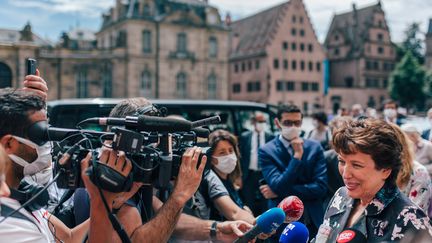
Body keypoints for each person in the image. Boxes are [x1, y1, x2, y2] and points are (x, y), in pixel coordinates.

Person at [74, 97, 254, 242]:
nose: (158, 148)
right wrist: (180, 195)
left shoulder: (133, 173)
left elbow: (167, 219)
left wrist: (217, 230)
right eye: (152, 140)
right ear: (128, 138)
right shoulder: (111, 176)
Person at [314, 118, 432, 242]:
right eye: (341, 161)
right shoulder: (341, 196)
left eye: (357, 165)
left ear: (385, 170)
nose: (346, 174)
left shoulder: (412, 221)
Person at [0, 89, 89, 243]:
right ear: (9, 143)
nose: (47, 144)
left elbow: (69, 238)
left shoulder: (24, 193)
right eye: (40, 134)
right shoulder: (13, 228)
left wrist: (106, 200)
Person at [259, 104, 328, 237]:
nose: (293, 127)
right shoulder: (267, 150)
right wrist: (297, 157)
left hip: (312, 218)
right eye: (288, 123)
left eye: (297, 122)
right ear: (277, 123)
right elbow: (278, 185)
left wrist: (278, 192)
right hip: (280, 221)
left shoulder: (315, 147)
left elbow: (320, 188)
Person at [207, 129, 255, 220]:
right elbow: (234, 214)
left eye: (230, 150)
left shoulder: (229, 179)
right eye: (222, 153)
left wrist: (243, 208)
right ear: (211, 158)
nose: (229, 156)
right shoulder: (212, 182)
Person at [239, 113, 274, 216]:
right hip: (249, 173)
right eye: (259, 121)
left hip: (264, 174)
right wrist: (239, 176)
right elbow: (241, 156)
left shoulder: (270, 137)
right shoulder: (245, 136)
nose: (261, 124)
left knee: (265, 200)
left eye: (263, 122)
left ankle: (264, 222)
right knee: (248, 199)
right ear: (253, 122)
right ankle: (250, 221)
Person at [394, 123, 432, 214]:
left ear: (413, 135)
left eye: (406, 136)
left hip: (422, 177)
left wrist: (422, 167)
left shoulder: (427, 146)